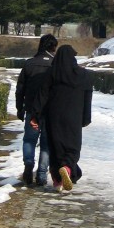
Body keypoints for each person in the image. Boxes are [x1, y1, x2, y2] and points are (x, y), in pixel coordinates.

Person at [30, 44, 92, 192]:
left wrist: (35, 116)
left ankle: (58, 181)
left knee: (55, 148)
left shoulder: (52, 73)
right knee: (72, 149)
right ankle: (67, 170)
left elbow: (42, 95)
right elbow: (87, 99)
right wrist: (85, 119)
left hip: (54, 117)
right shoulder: (84, 75)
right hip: (74, 118)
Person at [15, 33, 58, 185]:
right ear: (53, 47)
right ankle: (41, 175)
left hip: (31, 110)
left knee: (29, 140)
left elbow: (20, 89)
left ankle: (28, 164)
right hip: (49, 111)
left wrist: (20, 108)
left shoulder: (29, 64)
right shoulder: (55, 65)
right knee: (46, 144)